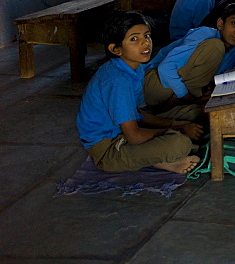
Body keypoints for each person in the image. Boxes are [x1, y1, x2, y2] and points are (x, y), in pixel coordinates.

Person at [75, 11, 201, 173]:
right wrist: (178, 130)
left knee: (192, 113)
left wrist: (176, 124)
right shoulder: (117, 81)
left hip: (125, 131)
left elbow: (137, 114)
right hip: (109, 148)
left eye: (146, 36)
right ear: (116, 49)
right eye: (134, 39)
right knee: (179, 144)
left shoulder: (134, 68)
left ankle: (157, 156)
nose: (145, 43)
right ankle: (160, 161)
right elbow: (134, 136)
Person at [144, 3, 235, 119]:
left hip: (175, 91)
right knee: (216, 47)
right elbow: (165, 68)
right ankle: (172, 106)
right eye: (234, 23)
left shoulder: (234, 51)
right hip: (154, 83)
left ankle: (164, 112)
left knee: (203, 114)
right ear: (220, 24)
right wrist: (188, 97)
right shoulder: (205, 35)